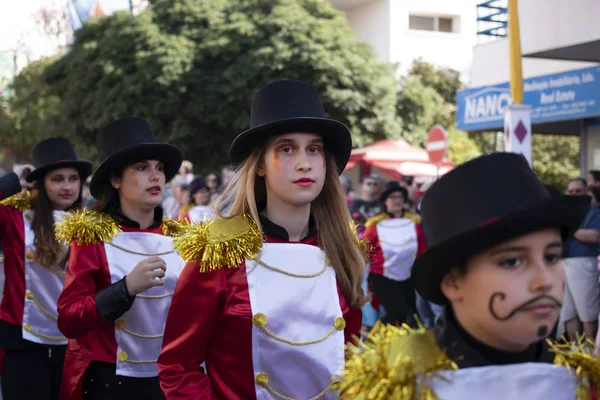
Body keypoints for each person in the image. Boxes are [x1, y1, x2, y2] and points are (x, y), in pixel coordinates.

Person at [157, 80, 366, 400]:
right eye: (286, 149)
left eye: (314, 149)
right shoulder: (219, 253)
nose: (304, 163)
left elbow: (349, 365)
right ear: (259, 166)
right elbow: (177, 366)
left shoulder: (343, 253)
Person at [342, 153, 593, 399]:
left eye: (551, 257)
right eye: (512, 261)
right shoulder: (396, 386)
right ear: (452, 282)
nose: (544, 281)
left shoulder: (582, 384)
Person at [56, 117, 185, 400]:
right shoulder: (92, 238)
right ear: (115, 179)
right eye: (141, 168)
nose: (156, 177)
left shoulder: (184, 239)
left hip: (170, 381)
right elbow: (68, 319)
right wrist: (124, 289)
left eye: (159, 169)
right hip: (110, 382)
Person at [0, 138, 91, 400]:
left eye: (73, 179)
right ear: (41, 183)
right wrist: (12, 181)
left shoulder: (94, 226)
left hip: (75, 346)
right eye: (57, 179)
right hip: (22, 343)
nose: (67, 186)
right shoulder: (15, 218)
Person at [363, 181, 426, 327]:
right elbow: (364, 251)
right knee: (397, 312)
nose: (397, 200)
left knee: (412, 315)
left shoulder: (415, 223)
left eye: (400, 197)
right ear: (385, 202)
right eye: (392, 197)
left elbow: (422, 249)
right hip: (382, 276)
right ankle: (378, 340)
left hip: (410, 276)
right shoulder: (374, 226)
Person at [560, 184, 600, 341]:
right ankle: (574, 352)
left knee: (587, 313)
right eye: (570, 191)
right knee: (568, 313)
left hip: (584, 263)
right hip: (563, 263)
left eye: (578, 191)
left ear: (586, 193)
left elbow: (594, 237)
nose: (573, 193)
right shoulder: (565, 213)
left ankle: (589, 356)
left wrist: (570, 228)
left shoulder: (595, 212)